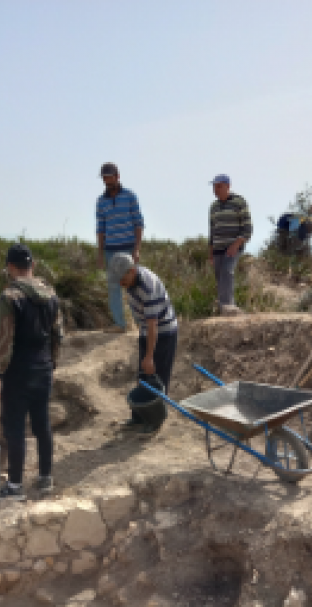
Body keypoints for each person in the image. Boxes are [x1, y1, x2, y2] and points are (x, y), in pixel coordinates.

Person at [0, 243, 64, 501]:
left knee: (15, 427)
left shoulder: (9, 297)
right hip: (43, 367)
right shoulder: (51, 294)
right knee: (42, 424)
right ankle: (45, 478)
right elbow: (57, 335)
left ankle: (15, 486)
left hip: (17, 371)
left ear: (10, 267)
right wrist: (52, 364)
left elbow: (4, 339)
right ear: (33, 265)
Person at [106, 253, 178, 432]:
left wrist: (149, 356)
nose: (120, 283)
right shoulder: (131, 282)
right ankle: (138, 417)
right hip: (148, 330)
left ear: (131, 271)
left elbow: (154, 325)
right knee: (142, 376)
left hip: (164, 332)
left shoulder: (147, 286)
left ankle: (155, 421)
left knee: (157, 376)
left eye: (122, 279)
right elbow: (146, 322)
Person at [95, 162, 144, 333]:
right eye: (104, 178)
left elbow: (139, 224)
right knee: (113, 285)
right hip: (110, 250)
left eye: (109, 177)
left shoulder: (130, 196)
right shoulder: (101, 201)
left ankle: (139, 323)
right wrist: (100, 254)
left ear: (117, 176)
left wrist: (137, 249)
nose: (107, 181)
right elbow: (100, 229)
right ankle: (119, 324)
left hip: (129, 247)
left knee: (134, 285)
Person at [208, 174, 253, 315]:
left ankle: (227, 307)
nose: (216, 189)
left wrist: (236, 244)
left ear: (228, 186)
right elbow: (212, 230)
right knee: (219, 276)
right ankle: (226, 307)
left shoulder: (239, 202)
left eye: (219, 186)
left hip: (233, 246)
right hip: (217, 248)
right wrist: (210, 252)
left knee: (227, 272)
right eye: (214, 187)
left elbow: (247, 228)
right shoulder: (213, 207)